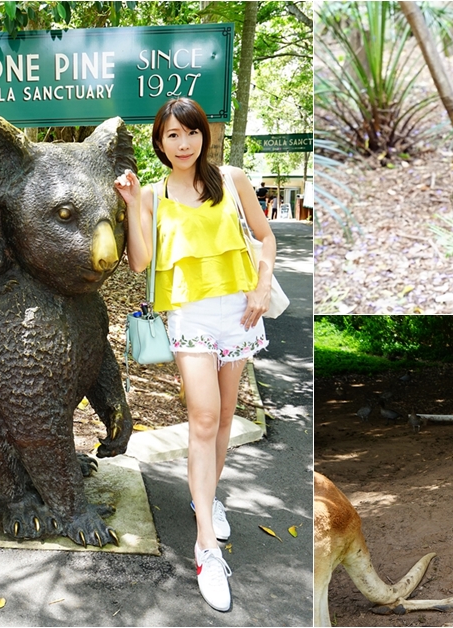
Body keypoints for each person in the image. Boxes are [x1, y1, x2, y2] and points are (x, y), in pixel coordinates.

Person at [115, 97, 275, 612]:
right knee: (203, 418)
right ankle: (206, 546)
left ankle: (206, 496)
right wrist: (131, 204)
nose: (183, 144)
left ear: (204, 135)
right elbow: (140, 262)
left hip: (239, 311)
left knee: (225, 417)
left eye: (190, 133)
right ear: (160, 144)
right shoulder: (153, 195)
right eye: (172, 135)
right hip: (190, 315)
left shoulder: (232, 180)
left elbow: (266, 237)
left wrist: (261, 287)